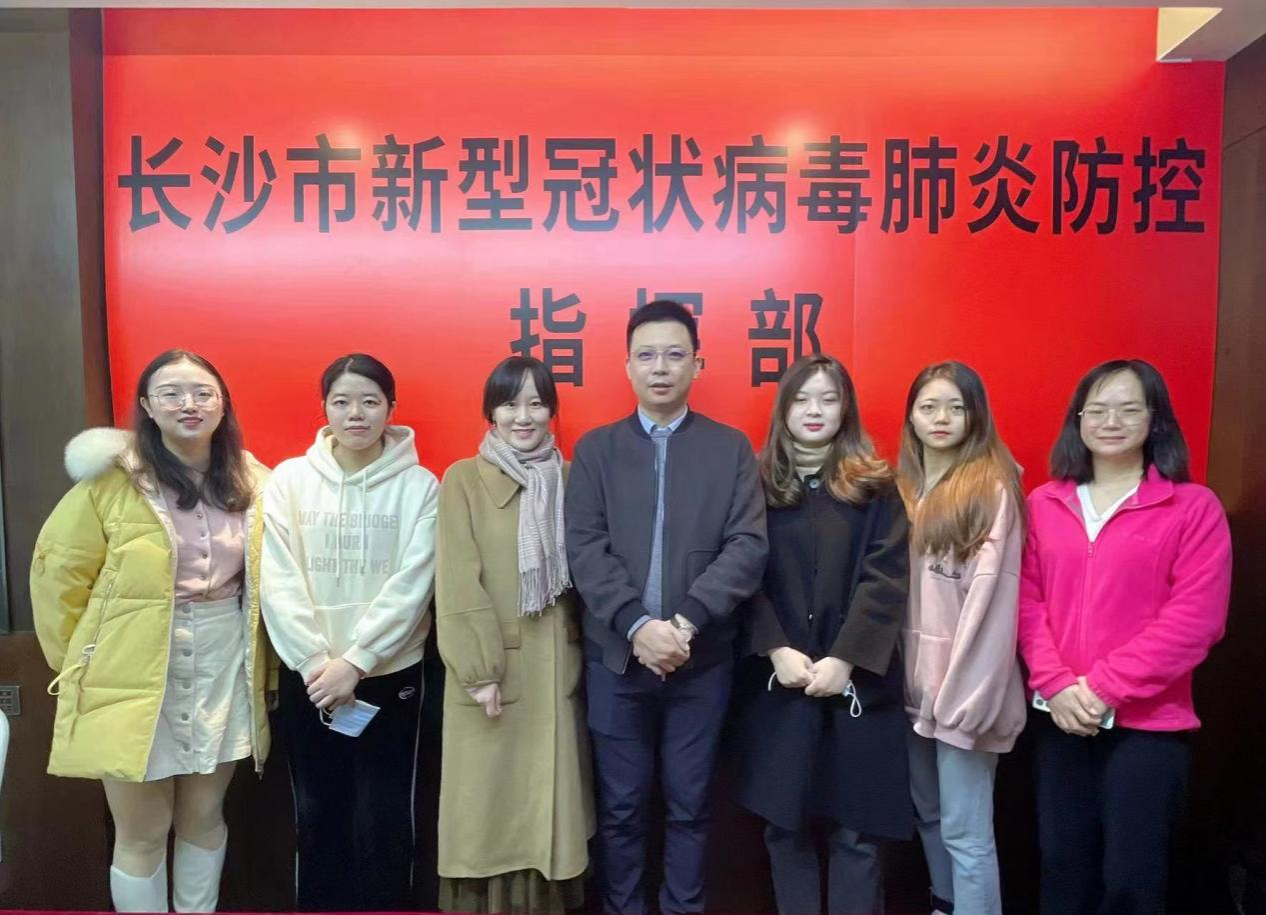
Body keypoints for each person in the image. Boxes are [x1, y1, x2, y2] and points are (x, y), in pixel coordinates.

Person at [31, 350, 270, 913]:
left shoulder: (254, 478)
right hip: (131, 664)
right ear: (147, 405)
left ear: (222, 404)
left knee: (204, 816)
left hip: (223, 658)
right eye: (171, 393)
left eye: (203, 392)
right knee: (141, 829)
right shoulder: (112, 481)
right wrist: (80, 664)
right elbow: (58, 574)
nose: (189, 404)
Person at [565, 299, 768, 915]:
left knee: (692, 805)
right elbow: (584, 549)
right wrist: (636, 627)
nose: (661, 367)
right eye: (647, 355)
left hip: (700, 662)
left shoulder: (730, 449)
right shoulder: (596, 450)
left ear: (697, 364)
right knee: (621, 809)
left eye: (675, 355)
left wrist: (683, 624)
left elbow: (748, 545)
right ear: (627, 366)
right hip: (616, 662)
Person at [1018, 359, 1231, 914]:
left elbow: (1197, 619)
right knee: (1061, 865)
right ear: (1078, 419)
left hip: (1148, 723)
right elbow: (1025, 602)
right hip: (1058, 716)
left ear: (1155, 419)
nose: (1111, 422)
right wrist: (1056, 684)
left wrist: (1103, 688)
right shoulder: (1043, 503)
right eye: (1098, 410)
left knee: (1131, 878)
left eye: (1129, 409)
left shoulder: (1192, 507)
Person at [733, 354, 911, 915]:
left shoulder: (875, 486)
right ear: (783, 409)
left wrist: (845, 659)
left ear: (845, 410)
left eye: (828, 399)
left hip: (858, 685)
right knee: (785, 828)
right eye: (802, 399)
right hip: (778, 682)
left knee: (856, 832)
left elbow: (885, 578)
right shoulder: (754, 483)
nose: (815, 411)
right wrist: (774, 647)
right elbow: (741, 573)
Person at [261, 353, 439, 911]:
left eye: (369, 401)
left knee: (386, 816)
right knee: (317, 814)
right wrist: (317, 663)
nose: (355, 414)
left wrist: (357, 661)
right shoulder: (289, 480)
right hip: (310, 678)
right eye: (341, 401)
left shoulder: (420, 486)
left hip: (390, 674)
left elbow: (414, 584)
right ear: (324, 408)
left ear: (391, 407)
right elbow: (276, 578)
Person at [435, 355, 594, 914]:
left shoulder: (572, 477)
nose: (523, 417)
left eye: (536, 403)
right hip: (492, 672)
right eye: (509, 404)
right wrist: (479, 669)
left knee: (552, 809)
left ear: (552, 411)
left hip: (561, 670)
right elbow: (457, 581)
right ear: (491, 412)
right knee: (489, 808)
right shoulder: (462, 479)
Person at [897, 361, 1027, 915]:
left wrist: (964, 700)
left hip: (965, 697)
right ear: (911, 417)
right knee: (929, 815)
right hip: (911, 692)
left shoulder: (991, 488)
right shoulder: (904, 487)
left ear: (976, 415)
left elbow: (993, 606)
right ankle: (946, 904)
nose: (941, 418)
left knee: (967, 834)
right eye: (928, 407)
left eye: (956, 407)